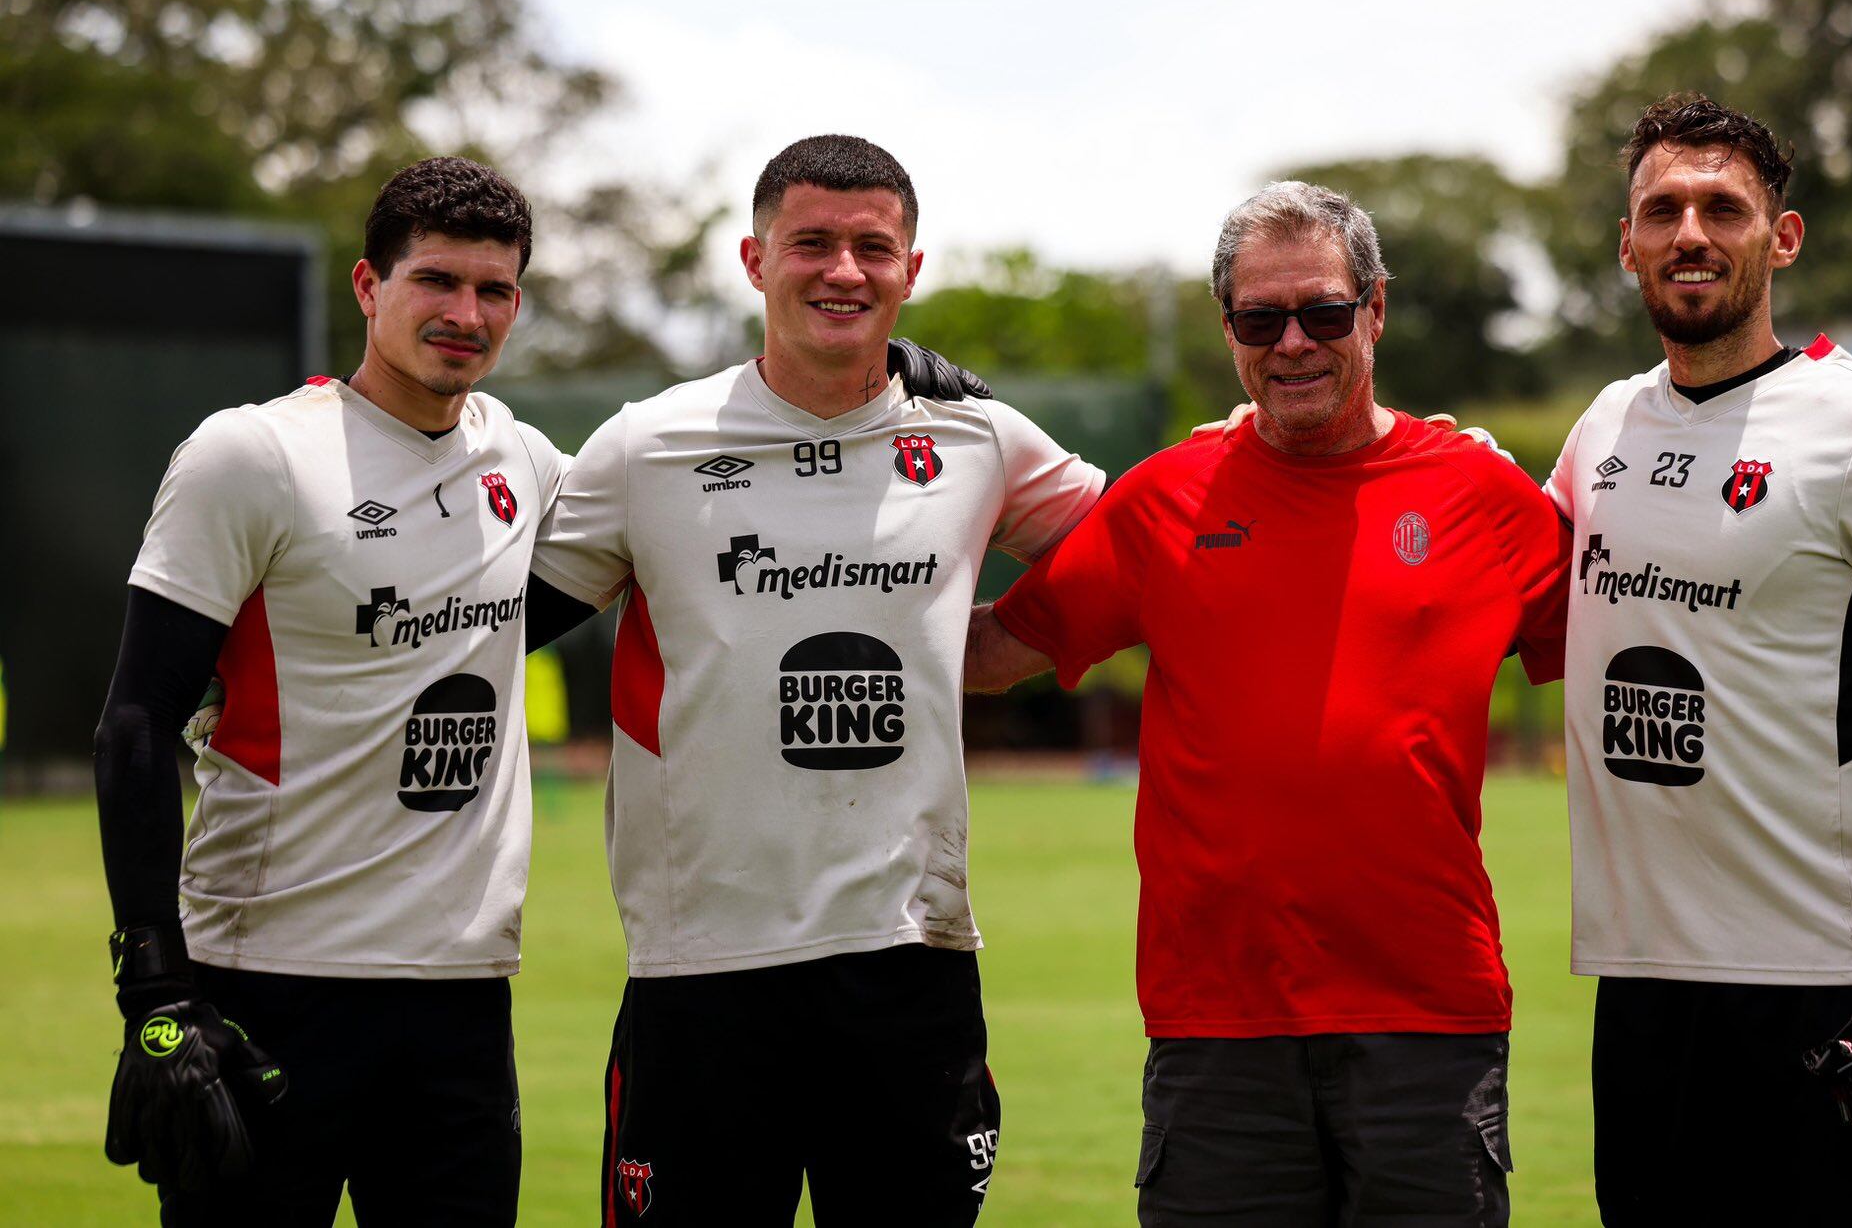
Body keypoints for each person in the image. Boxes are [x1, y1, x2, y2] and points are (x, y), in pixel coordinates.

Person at [962, 181, 1571, 1227]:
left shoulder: (1486, 497)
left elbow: (1639, 655)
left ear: (1373, 309)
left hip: (1429, 1021)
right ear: (1227, 328)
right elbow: (988, 652)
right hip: (1218, 1027)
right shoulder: (1162, 500)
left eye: (1323, 313)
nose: (1293, 342)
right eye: (1261, 318)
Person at [522, 134, 1104, 1226]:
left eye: (872, 247)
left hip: (909, 960)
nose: (844, 269)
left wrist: (1002, 641)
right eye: (812, 243)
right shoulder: (648, 445)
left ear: (911, 270)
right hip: (703, 971)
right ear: (752, 260)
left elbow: (1141, 548)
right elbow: (487, 627)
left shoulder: (976, 436)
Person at [1542, 94, 1852, 1226]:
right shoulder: (1601, 426)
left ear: (1778, 237)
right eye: (1661, 209)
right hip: (1642, 983)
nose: (1688, 233)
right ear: (1626, 243)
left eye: (1721, 208)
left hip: (1825, 982)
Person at [95, 157, 564, 1225]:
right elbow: (133, 725)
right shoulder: (252, 455)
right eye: (435, 281)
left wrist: (876, 373)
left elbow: (690, 486)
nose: (464, 313)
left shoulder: (523, 461)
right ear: (367, 286)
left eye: (492, 290)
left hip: (460, 999)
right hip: (265, 983)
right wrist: (157, 993)